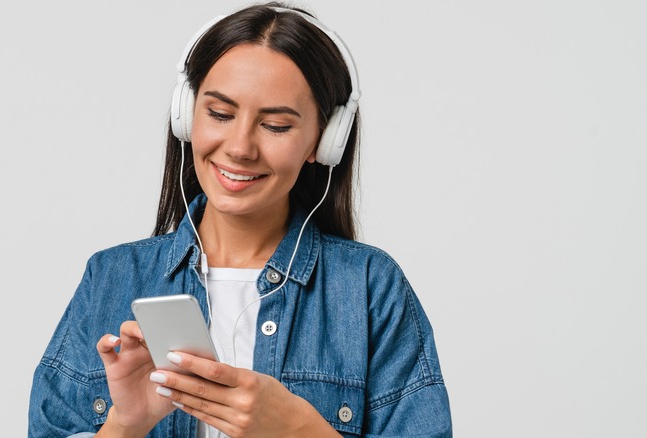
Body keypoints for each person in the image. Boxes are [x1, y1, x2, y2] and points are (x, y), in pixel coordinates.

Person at [29, 3, 452, 437]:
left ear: (323, 142)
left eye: (275, 125)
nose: (240, 148)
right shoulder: (111, 277)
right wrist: (125, 425)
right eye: (220, 114)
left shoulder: (368, 286)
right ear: (186, 115)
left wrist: (301, 430)